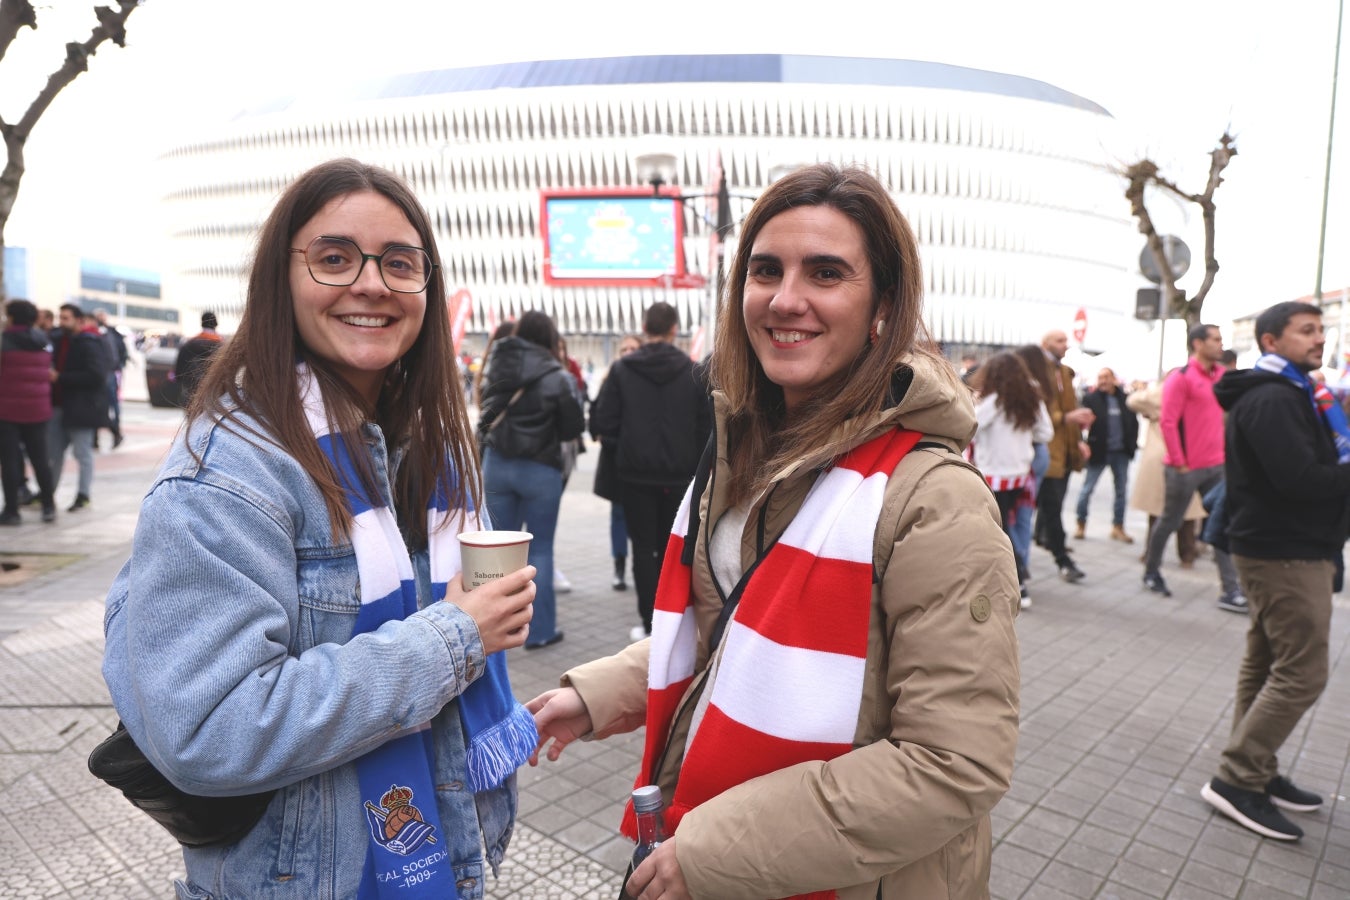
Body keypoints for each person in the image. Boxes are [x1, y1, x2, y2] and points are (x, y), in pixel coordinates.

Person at [528, 164, 1019, 899]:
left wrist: (714, 851)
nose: (786, 300)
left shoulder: (934, 500)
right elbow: (732, 630)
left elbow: (954, 761)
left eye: (826, 273)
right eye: (766, 271)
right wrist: (598, 696)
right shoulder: (746, 451)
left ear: (882, 305)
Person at [100, 158, 538, 898]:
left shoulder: (419, 444)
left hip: (436, 854)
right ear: (282, 278)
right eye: (335, 258)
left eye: (400, 263)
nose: (371, 283)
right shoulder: (230, 471)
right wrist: (456, 636)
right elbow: (206, 728)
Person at [1201, 301, 1350, 841]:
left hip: (1290, 546)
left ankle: (1254, 768)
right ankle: (1237, 778)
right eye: (1306, 331)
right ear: (1270, 341)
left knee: (1266, 662)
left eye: (1321, 329)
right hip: (1284, 551)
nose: (1319, 338)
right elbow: (1299, 480)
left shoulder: (1297, 392)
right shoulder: (1272, 399)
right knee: (1303, 671)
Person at [590, 301, 712, 642]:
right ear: (675, 329)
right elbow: (706, 429)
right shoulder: (694, 372)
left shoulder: (622, 370)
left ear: (645, 328)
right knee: (674, 549)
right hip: (680, 477)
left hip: (635, 476)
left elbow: (603, 421)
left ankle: (648, 624)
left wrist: (625, 449)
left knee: (643, 549)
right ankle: (672, 622)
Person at [477, 309, 584, 649]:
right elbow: (572, 428)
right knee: (539, 550)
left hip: (498, 463)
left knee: (496, 553)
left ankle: (495, 631)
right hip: (540, 469)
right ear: (550, 337)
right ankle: (539, 632)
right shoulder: (557, 374)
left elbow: (485, 413)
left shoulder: (497, 361)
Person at [1141, 323, 1244, 613]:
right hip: (1184, 468)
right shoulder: (1181, 377)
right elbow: (1169, 422)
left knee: (1222, 523)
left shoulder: (1222, 377)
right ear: (1198, 344)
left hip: (1216, 466)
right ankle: (1151, 572)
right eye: (1215, 339)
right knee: (1170, 521)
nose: (1221, 344)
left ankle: (1231, 589)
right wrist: (1180, 461)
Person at [971, 350, 1052, 609]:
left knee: (999, 530)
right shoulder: (1031, 400)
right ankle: (1015, 579)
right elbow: (1046, 433)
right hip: (1019, 475)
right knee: (1013, 527)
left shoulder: (993, 402)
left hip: (992, 476)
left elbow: (968, 426)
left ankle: (1018, 582)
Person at [1035, 329, 1094, 582]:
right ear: (1045, 343)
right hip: (1044, 452)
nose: (1065, 345)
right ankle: (1062, 559)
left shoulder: (1064, 372)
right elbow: (1039, 414)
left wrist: (1078, 442)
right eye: (1060, 341)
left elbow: (1069, 411)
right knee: (1051, 507)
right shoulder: (1038, 372)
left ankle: (1043, 540)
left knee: (1051, 505)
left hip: (1062, 452)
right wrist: (1068, 418)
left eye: (1065, 341)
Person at [1126, 379, 1204, 568]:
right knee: (1186, 510)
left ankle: (1151, 553)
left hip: (1162, 456)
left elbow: (1133, 401)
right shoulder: (1194, 393)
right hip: (1187, 456)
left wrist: (1150, 410)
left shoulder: (1161, 393)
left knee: (1158, 510)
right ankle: (1187, 555)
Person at [591, 333, 643, 592]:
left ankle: (641, 567)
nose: (629, 352)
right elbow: (597, 420)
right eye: (625, 349)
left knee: (643, 522)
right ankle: (620, 566)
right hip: (617, 463)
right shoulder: (611, 379)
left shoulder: (647, 381)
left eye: (634, 348)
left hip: (644, 466)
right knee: (619, 517)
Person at [48, 303, 111, 512]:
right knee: (53, 454)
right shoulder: (58, 339)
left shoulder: (89, 342)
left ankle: (83, 495)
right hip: (58, 406)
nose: (61, 321)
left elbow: (96, 376)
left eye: (66, 318)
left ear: (78, 320)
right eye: (60, 317)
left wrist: (61, 378)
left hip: (80, 407)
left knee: (82, 453)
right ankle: (48, 494)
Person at [0, 299, 57, 524]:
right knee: (40, 459)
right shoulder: (43, 340)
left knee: (11, 461)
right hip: (38, 410)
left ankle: (12, 511)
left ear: (12, 317)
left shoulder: (5, 340)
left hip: (8, 411)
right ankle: (49, 506)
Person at [1074, 367, 1139, 543]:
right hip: (1099, 451)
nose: (1103, 381)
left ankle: (1118, 527)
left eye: (1106, 377)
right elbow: (1080, 424)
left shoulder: (1125, 400)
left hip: (1121, 453)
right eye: (1100, 377)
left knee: (1121, 491)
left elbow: (1133, 424)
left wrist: (1131, 447)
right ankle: (1081, 523)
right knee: (1087, 490)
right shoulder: (1090, 399)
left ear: (1113, 379)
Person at [92, 308, 129, 449]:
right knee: (99, 406)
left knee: (112, 405)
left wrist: (120, 365)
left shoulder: (112, 333)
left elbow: (121, 351)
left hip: (111, 373)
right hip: (102, 373)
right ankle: (99, 438)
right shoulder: (96, 333)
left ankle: (116, 432)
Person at [173, 311, 225, 407]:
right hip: (214, 390)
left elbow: (180, 367)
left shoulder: (189, 344)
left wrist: (178, 379)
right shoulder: (223, 346)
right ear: (216, 324)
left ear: (202, 323)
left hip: (191, 388)